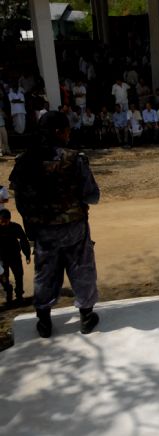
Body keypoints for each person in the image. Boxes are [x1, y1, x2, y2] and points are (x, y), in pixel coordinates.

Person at [9, 111, 101, 337]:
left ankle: (44, 321)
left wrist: (35, 221)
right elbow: (92, 196)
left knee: (45, 272)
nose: (69, 134)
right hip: (73, 226)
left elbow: (20, 201)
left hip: (42, 230)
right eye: (67, 130)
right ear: (58, 132)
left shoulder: (25, 161)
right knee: (81, 268)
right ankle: (86, 316)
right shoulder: (74, 159)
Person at [0, 209, 30, 306]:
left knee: (19, 275)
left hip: (14, 256)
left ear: (9, 219)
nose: (3, 223)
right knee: (3, 277)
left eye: (5, 221)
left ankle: (19, 295)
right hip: (1, 258)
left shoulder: (15, 227)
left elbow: (23, 240)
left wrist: (27, 254)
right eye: (1, 220)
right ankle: (8, 289)